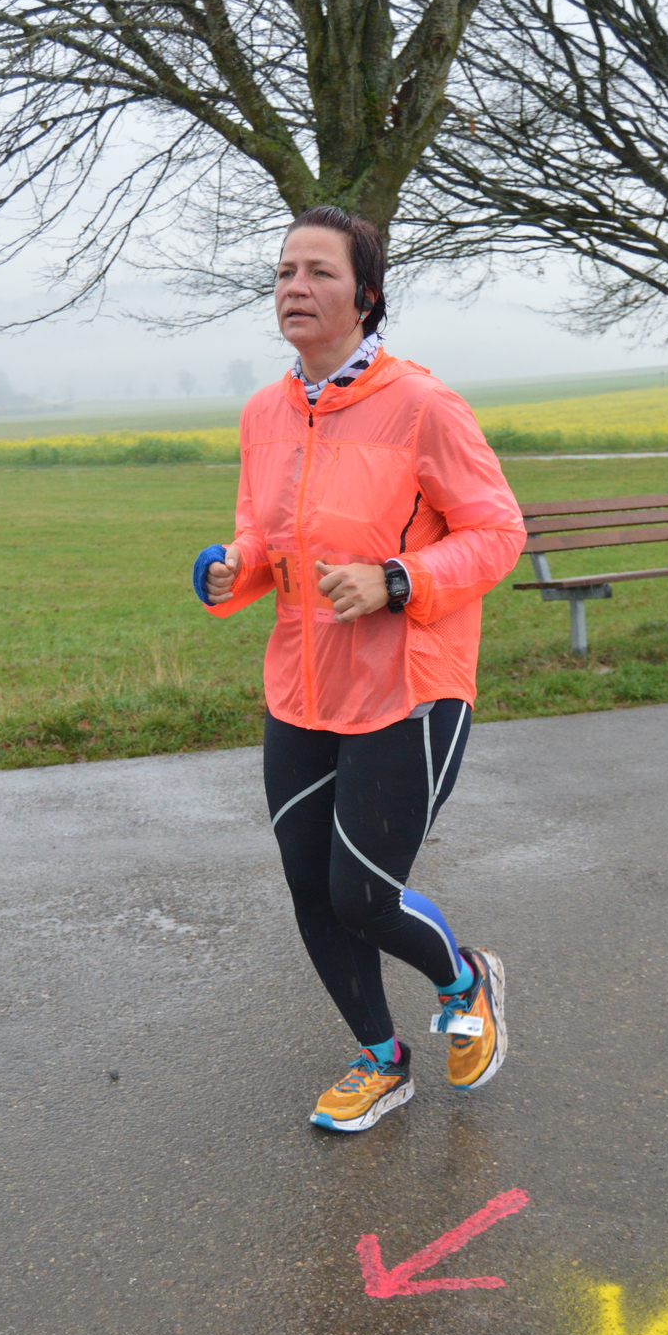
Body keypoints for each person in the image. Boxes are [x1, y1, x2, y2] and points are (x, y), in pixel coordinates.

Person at [191, 206, 527, 1131]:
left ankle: (465, 979)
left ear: (367, 296)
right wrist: (232, 568)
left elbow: (498, 533)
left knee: (363, 894)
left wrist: (396, 579)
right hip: (301, 688)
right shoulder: (264, 413)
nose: (295, 288)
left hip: (408, 686)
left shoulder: (423, 405)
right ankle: (382, 1059)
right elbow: (264, 536)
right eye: (285, 272)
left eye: (320, 273)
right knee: (311, 888)